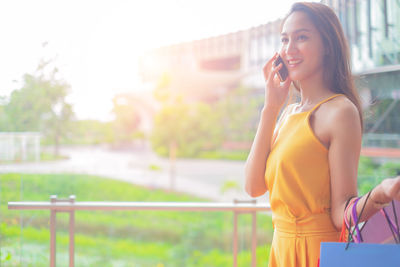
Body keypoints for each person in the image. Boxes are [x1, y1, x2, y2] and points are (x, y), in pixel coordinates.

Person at [244, 2, 400, 267]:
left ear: (328, 45)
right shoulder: (287, 112)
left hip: (316, 253)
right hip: (281, 250)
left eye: (301, 37)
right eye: (285, 39)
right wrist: (270, 108)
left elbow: (341, 214)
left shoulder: (340, 111)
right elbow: (253, 186)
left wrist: (379, 195)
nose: (289, 49)